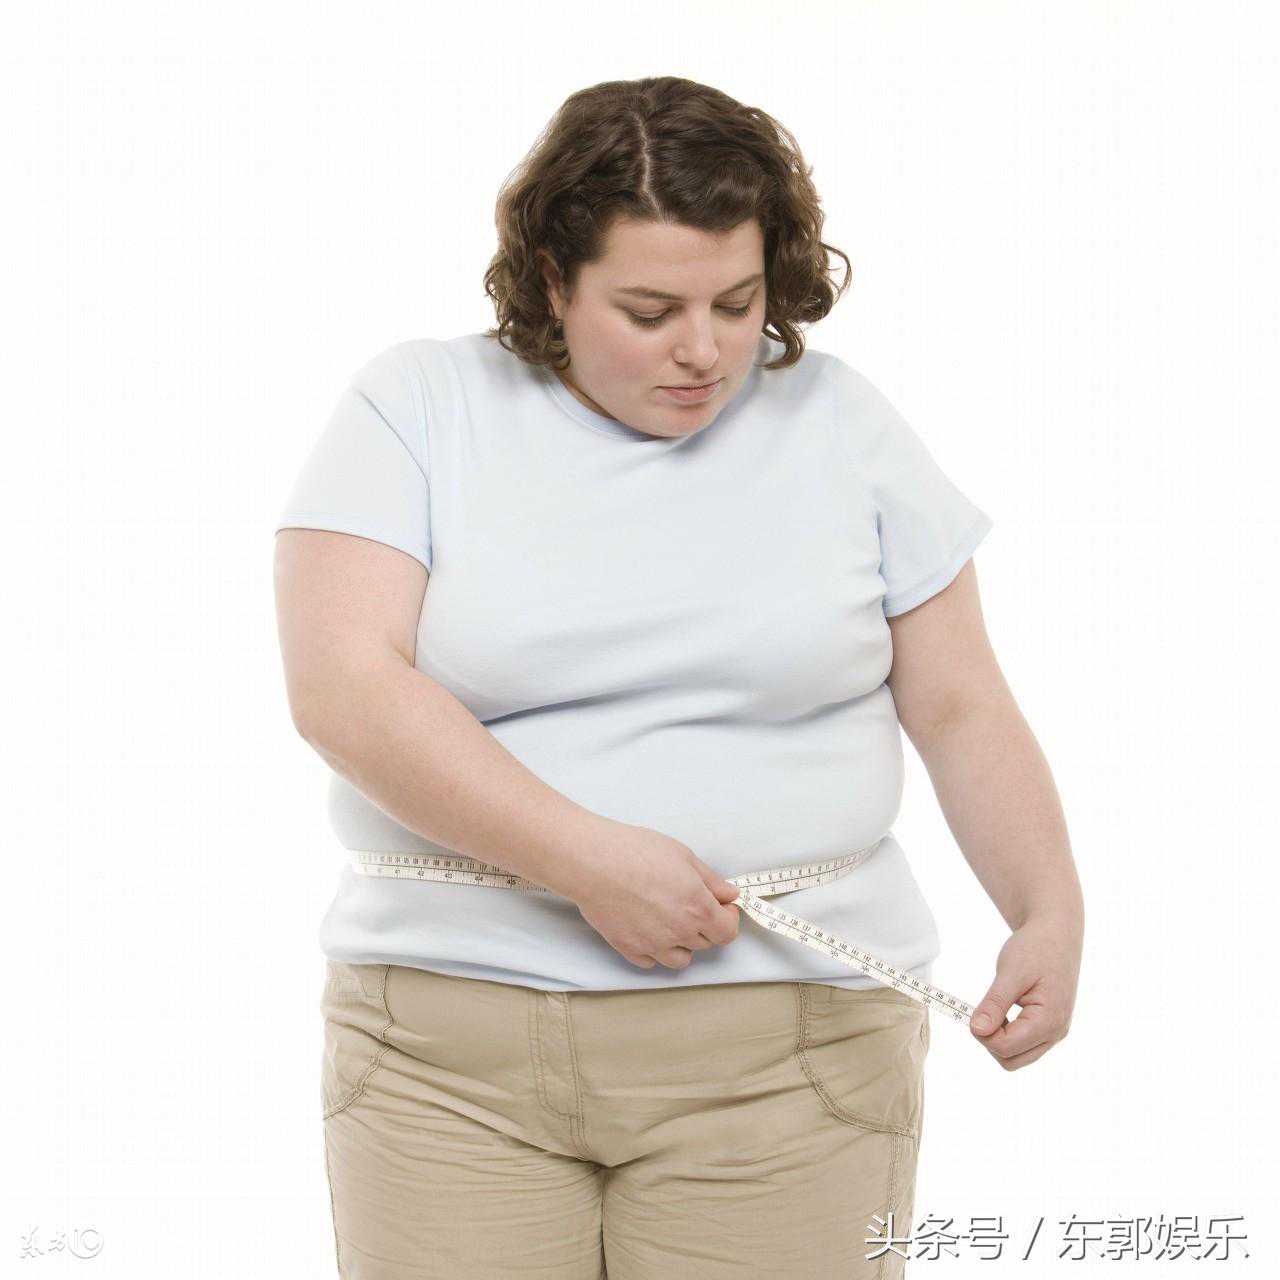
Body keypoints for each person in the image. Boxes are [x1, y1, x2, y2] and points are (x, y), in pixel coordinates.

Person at [273, 75, 1084, 1280]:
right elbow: (345, 687)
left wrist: (1045, 903)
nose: (703, 350)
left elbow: (958, 701)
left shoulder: (842, 422)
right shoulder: (417, 408)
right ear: (552, 278)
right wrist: (584, 860)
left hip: (788, 1061)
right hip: (446, 1059)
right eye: (648, 310)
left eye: (736, 303)